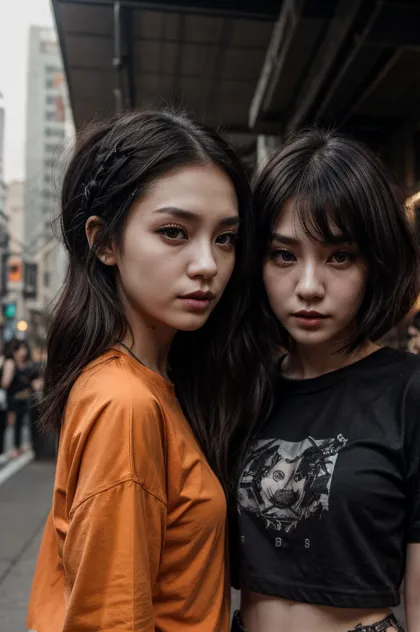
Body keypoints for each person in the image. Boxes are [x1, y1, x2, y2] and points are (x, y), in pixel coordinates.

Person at [27, 109, 271, 632]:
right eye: (174, 231)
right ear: (104, 242)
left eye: (225, 238)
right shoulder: (125, 402)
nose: (207, 263)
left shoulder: (154, 385)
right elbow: (109, 620)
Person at [232, 128, 420, 632]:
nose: (309, 287)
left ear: (375, 264)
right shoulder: (241, 389)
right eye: (284, 255)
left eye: (339, 256)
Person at [1, 339, 32, 458]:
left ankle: (17, 446)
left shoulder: (24, 364)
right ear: (15, 351)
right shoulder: (10, 363)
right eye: (21, 349)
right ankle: (11, 448)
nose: (23, 352)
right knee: (11, 423)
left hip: (22, 399)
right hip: (12, 399)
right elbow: (5, 383)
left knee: (20, 423)